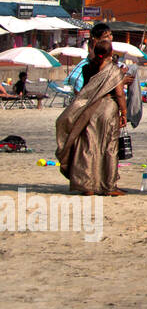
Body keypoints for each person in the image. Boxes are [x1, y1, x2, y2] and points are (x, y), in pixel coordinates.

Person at [54, 39, 127, 196]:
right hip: (108, 107)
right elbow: (119, 93)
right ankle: (108, 186)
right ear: (111, 53)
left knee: (87, 145)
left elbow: (84, 89)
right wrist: (124, 113)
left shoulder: (88, 68)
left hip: (89, 110)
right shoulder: (114, 70)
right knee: (109, 146)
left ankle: (87, 186)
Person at [68, 22, 114, 93]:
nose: (110, 38)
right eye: (106, 36)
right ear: (96, 40)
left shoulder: (107, 56)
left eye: (110, 35)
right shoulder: (92, 61)